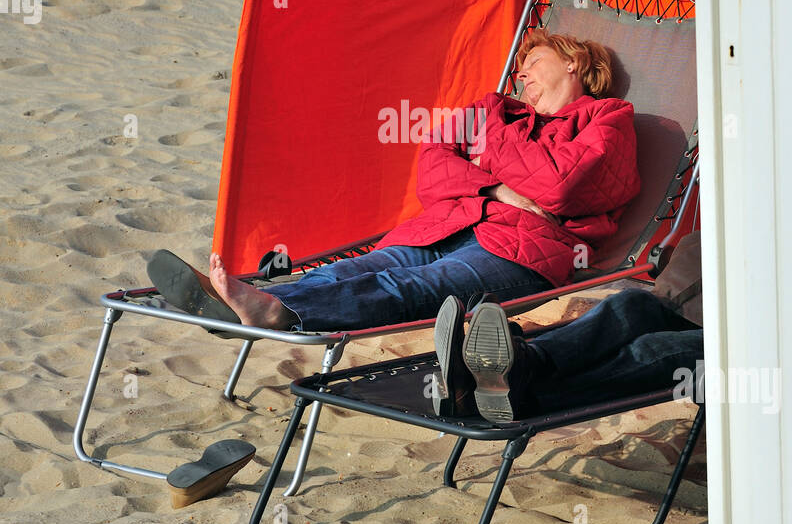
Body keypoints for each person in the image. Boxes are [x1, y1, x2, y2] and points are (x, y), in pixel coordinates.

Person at [147, 33, 640, 333]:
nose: (522, 74)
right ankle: (253, 306)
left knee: (409, 285)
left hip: (523, 250)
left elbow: (560, 185)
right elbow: (432, 165)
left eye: (534, 62)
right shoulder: (498, 109)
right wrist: (494, 189)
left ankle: (273, 312)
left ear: (572, 62)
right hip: (451, 223)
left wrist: (486, 149)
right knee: (360, 267)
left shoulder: (608, 119)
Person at [431, 232, 703, 423]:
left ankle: (513, 395)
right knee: (629, 303)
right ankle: (524, 363)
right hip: (691, 302)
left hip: (736, 337)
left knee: (654, 348)